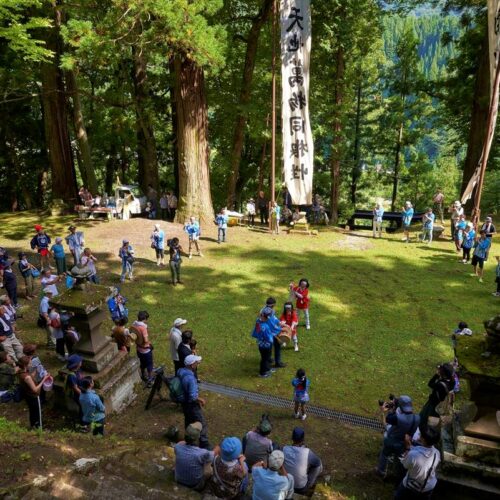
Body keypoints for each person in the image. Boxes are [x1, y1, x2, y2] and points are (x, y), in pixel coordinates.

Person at [376, 395, 420, 478]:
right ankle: (396, 474)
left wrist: (391, 409)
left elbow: (388, 419)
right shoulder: (417, 418)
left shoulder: (397, 418)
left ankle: (381, 471)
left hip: (391, 440)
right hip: (404, 443)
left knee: (384, 454)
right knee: (399, 459)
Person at [395, 426, 441, 499]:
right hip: (429, 487)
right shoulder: (437, 453)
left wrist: (407, 447)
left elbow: (405, 465)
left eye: (420, 435)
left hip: (412, 486)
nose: (419, 435)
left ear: (423, 439)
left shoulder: (413, 455)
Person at [177, 354, 210, 449]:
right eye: (196, 363)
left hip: (184, 403)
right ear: (192, 365)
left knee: (188, 420)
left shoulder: (180, 371)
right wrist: (201, 400)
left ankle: (188, 439)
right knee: (201, 423)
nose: (198, 363)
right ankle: (204, 444)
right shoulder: (191, 379)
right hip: (192, 405)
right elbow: (192, 396)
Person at [174, 422, 215, 490]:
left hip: (178, 479)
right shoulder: (203, 453)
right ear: (198, 437)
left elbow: (180, 444)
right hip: (194, 485)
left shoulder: (178, 447)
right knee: (210, 471)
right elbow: (212, 457)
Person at [283, 427, 323, 496]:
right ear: (303, 439)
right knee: (319, 466)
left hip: (286, 484)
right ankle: (309, 484)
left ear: (292, 438)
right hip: (301, 488)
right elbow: (318, 463)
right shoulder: (307, 452)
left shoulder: (284, 449)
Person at [17, 356, 49, 429]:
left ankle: (33, 425)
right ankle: (39, 429)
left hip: (27, 395)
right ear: (25, 365)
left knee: (32, 411)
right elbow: (35, 389)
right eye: (30, 362)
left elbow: (30, 378)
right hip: (34, 396)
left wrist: (35, 370)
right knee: (37, 413)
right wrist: (44, 379)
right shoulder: (27, 377)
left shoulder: (21, 371)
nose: (31, 363)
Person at [251, 308, 276, 378]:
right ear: (268, 318)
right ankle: (262, 373)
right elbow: (268, 338)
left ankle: (267, 368)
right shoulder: (265, 327)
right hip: (266, 346)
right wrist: (272, 338)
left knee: (266, 358)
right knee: (264, 359)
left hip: (261, 344)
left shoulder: (258, 321)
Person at [130, 311, 154, 384]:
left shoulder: (134, 324)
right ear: (145, 319)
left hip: (138, 348)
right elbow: (146, 340)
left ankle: (143, 375)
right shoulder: (143, 328)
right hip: (145, 350)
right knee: (149, 365)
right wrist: (149, 344)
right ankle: (150, 380)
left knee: (142, 363)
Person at [65, 354, 85, 425]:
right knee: (83, 407)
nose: (81, 361)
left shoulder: (79, 370)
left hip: (82, 391)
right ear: (77, 364)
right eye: (80, 361)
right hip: (77, 395)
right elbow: (75, 388)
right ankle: (83, 424)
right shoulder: (71, 376)